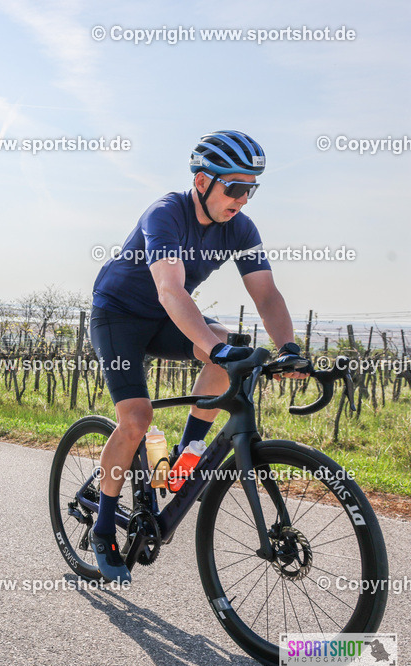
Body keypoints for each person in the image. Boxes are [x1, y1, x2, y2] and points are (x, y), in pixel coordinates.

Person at [87, 130, 309, 583]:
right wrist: (216, 349)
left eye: (252, 189)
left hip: (168, 318)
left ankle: (189, 450)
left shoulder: (240, 229)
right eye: (235, 188)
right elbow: (170, 289)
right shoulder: (165, 214)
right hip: (119, 316)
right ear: (204, 180)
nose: (243, 200)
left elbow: (265, 293)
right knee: (136, 420)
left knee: (227, 340)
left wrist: (289, 350)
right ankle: (103, 524)